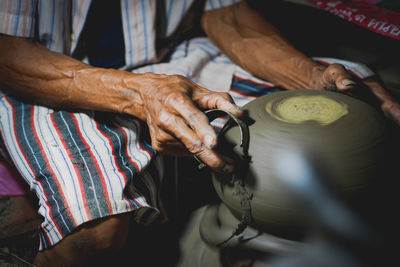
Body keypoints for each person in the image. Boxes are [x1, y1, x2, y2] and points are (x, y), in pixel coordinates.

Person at [0, 0, 399, 266]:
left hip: (177, 56)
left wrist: (307, 74)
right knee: (96, 238)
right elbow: (8, 51)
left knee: (357, 98)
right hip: (60, 75)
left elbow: (227, 15)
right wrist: (141, 95)